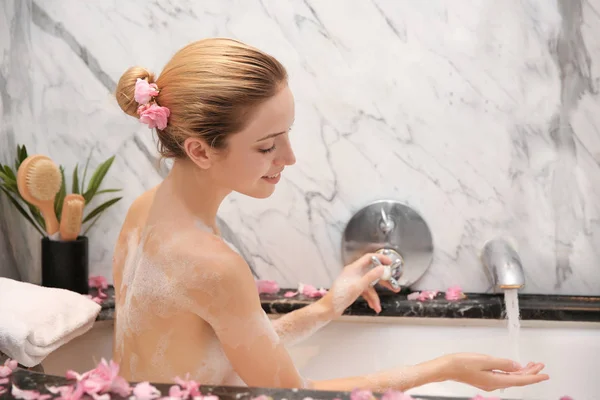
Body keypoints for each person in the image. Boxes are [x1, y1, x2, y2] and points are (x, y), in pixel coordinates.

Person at [112, 38, 549, 393]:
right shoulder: (213, 264)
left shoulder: (146, 210)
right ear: (201, 150)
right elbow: (295, 395)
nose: (290, 157)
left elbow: (215, 349)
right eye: (267, 146)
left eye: (287, 136)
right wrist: (443, 368)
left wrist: (328, 305)